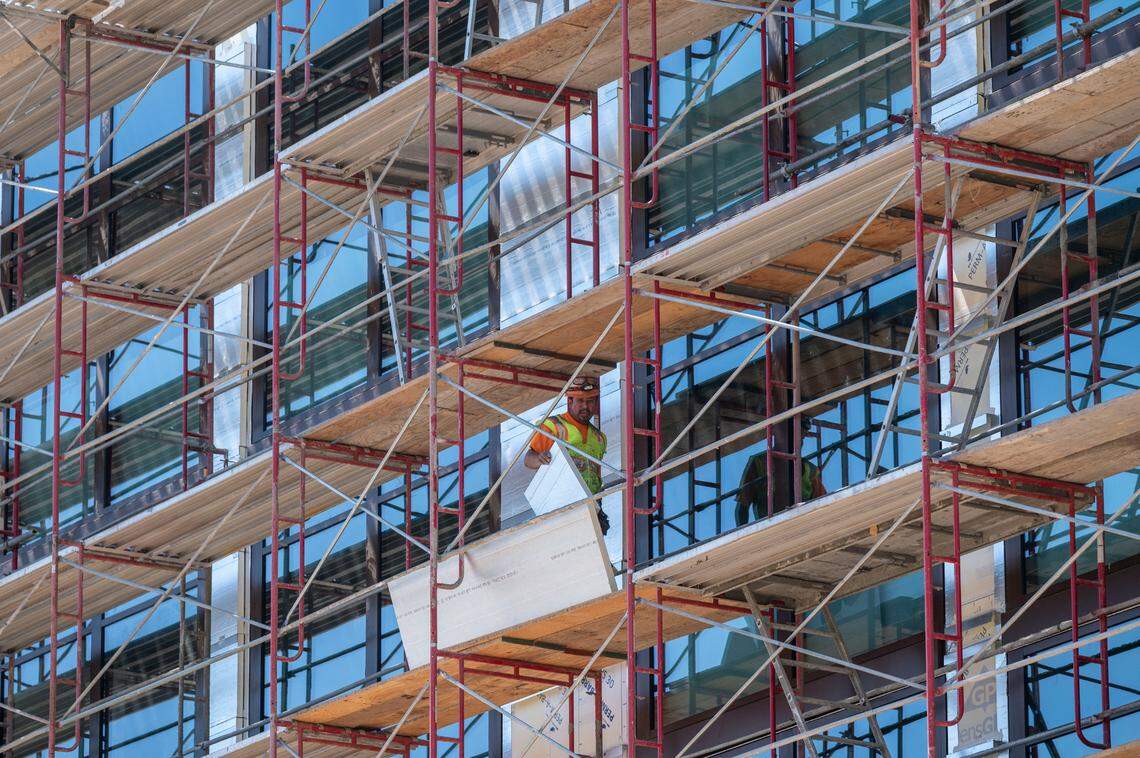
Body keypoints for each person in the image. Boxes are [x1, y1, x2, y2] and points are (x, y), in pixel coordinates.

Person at [525, 378, 610, 534]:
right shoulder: (552, 425)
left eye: (590, 401)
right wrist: (539, 459)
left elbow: (596, 476)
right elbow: (528, 459)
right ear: (570, 401)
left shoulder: (599, 438)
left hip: (590, 504)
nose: (585, 406)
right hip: (562, 501)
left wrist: (599, 506)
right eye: (580, 401)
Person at [734, 415, 825, 527]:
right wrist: (743, 536)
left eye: (801, 438)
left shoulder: (810, 470)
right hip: (769, 530)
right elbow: (742, 507)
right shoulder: (760, 462)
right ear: (781, 435)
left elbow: (822, 504)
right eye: (794, 437)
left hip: (801, 529)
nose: (799, 443)